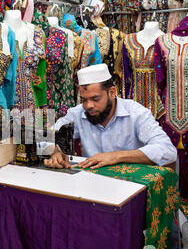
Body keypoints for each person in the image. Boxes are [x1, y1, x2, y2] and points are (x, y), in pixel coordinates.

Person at [44, 63, 177, 169]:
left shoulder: (136, 113)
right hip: (92, 184)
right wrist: (55, 151)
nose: (88, 105)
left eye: (95, 99)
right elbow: (45, 137)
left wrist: (117, 156)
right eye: (84, 100)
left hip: (130, 185)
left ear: (112, 92)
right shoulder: (78, 113)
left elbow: (168, 151)